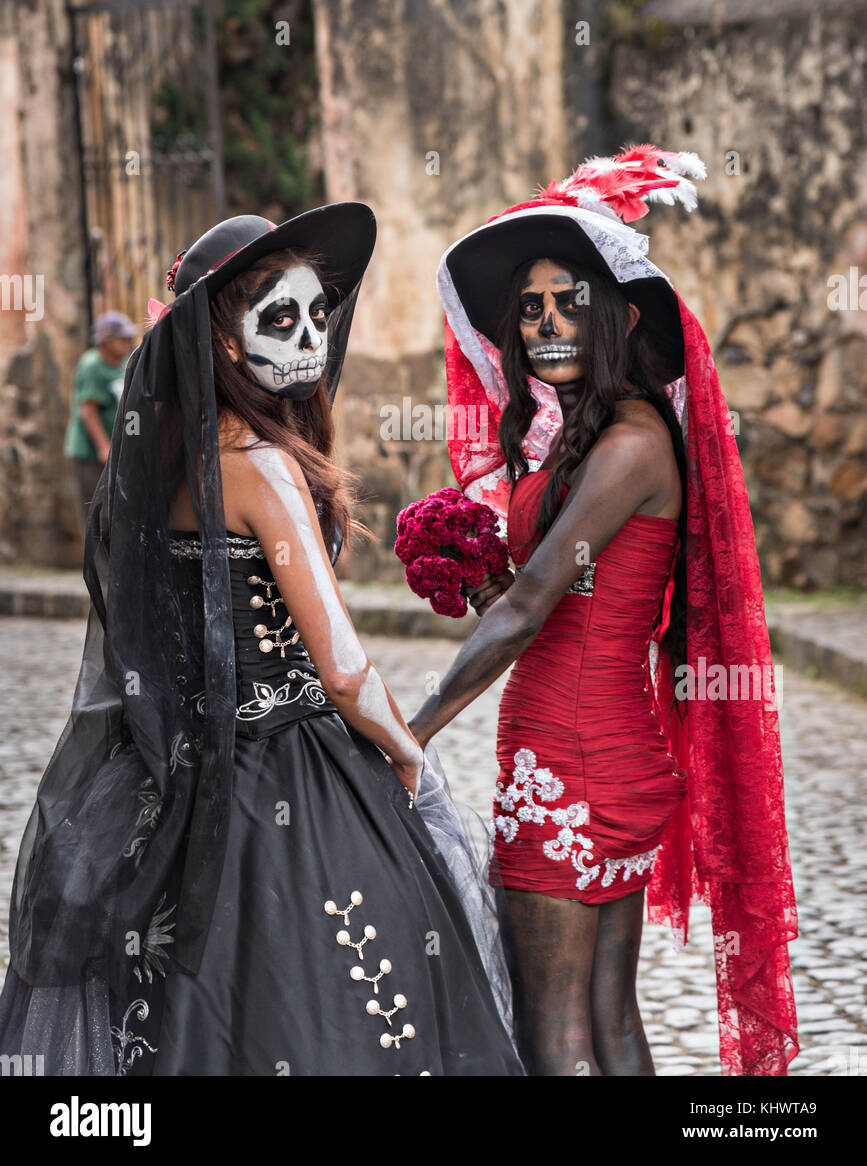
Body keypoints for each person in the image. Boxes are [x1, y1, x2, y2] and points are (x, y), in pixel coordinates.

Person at [0, 207, 522, 1077]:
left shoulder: (167, 459)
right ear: (225, 342)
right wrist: (409, 758)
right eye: (279, 318)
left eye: (318, 313)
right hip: (289, 768)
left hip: (172, 778)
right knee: (336, 1000)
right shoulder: (260, 466)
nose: (310, 336)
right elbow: (344, 671)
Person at [409, 146, 799, 1077]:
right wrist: (482, 573)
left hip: (572, 760)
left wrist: (406, 732)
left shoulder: (627, 445)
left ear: (616, 317)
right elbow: (550, 590)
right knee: (608, 1022)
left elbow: (529, 614)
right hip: (598, 755)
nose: (544, 321)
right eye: (529, 307)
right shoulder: (596, 442)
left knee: (555, 1040)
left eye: (566, 302)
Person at [64, 310, 137, 520]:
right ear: (107, 340)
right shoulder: (92, 364)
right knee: (95, 511)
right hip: (91, 453)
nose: (129, 341)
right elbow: (88, 411)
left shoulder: (125, 363)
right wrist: (103, 446)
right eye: (123, 338)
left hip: (115, 450)